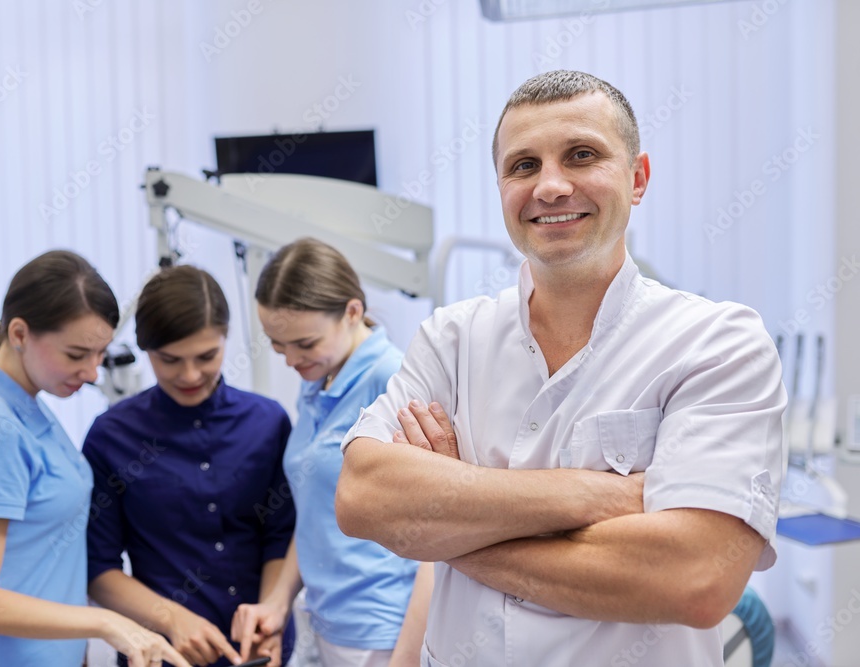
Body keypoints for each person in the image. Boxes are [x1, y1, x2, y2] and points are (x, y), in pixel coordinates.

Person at [335, 70, 787, 666]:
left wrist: (444, 528)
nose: (549, 186)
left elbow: (695, 579)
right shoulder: (451, 339)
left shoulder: (718, 344)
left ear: (638, 177)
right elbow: (363, 498)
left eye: (581, 155)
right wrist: (600, 497)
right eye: (523, 165)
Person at [0, 250, 190, 667]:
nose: (91, 372)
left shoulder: (26, 407)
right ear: (19, 333)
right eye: (76, 354)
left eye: (100, 354)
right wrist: (104, 623)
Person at [231, 237, 434, 667]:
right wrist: (278, 602)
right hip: (322, 621)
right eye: (276, 344)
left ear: (353, 312)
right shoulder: (319, 380)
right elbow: (316, 512)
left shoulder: (393, 382)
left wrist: (407, 656)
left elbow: (440, 537)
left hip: (382, 630)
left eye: (304, 344)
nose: (289, 360)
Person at [83, 265, 296, 667]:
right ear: (144, 349)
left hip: (258, 652)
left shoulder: (267, 424)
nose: (191, 375)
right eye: (170, 360)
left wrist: (272, 615)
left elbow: (281, 538)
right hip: (161, 652)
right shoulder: (111, 437)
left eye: (207, 356)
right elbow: (98, 571)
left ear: (226, 339)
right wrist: (173, 619)